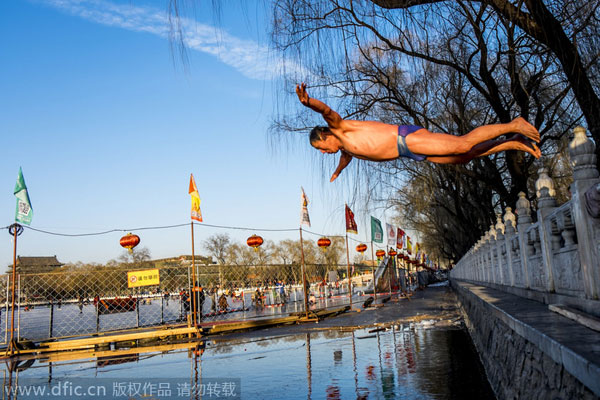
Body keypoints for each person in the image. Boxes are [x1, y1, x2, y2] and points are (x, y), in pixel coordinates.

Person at [296, 83, 541, 182]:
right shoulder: (346, 149)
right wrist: (338, 171)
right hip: (409, 152)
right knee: (464, 156)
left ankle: (513, 125)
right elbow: (346, 158)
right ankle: (512, 142)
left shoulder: (340, 128)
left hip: (407, 139)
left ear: (325, 135)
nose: (325, 152)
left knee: (463, 144)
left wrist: (310, 103)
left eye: (321, 148)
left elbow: (327, 111)